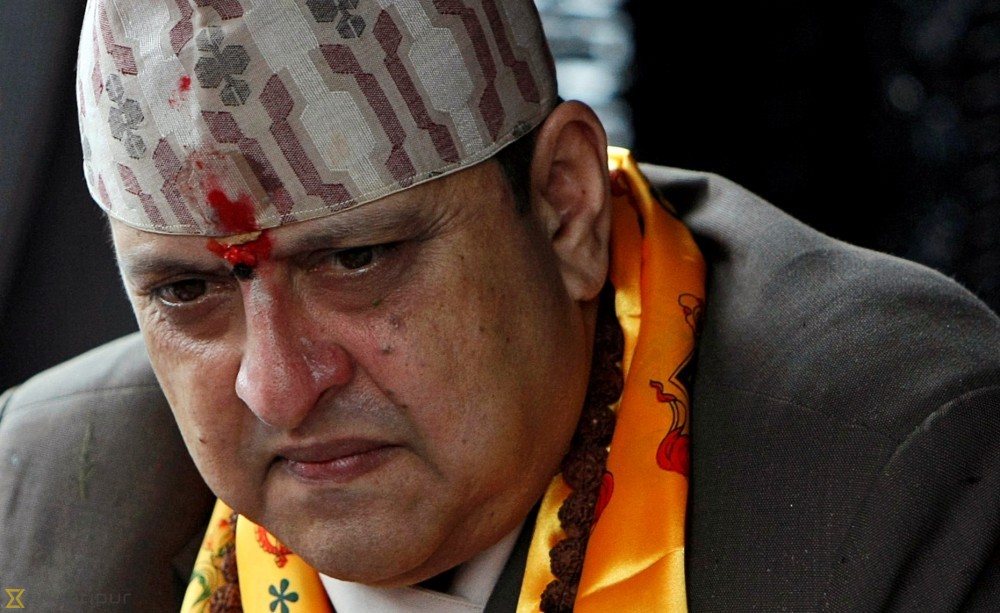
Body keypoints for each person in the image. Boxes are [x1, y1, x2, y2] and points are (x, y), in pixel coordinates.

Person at [1, 0, 998, 611]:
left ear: (564, 207)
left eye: (355, 258)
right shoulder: (38, 504)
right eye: (186, 290)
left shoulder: (888, 474)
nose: (277, 386)